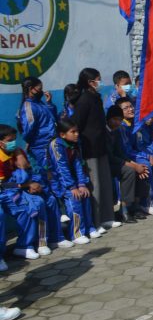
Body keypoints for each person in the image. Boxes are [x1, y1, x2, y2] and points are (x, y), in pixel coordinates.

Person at [70, 68, 120, 233]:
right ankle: (96, 222)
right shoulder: (84, 100)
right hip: (89, 148)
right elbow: (77, 123)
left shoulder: (96, 97)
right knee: (95, 186)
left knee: (105, 183)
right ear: (90, 82)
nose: (100, 82)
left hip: (101, 146)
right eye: (98, 79)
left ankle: (107, 217)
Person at [0, 123, 49, 259]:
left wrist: (34, 183)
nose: (13, 143)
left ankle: (33, 243)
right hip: (6, 193)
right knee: (22, 207)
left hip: (18, 189)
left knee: (39, 202)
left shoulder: (17, 152)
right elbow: (4, 185)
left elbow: (29, 171)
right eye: (9, 141)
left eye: (14, 139)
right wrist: (27, 185)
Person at [48, 119, 99, 243]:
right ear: (62, 134)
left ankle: (89, 228)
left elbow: (78, 164)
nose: (77, 134)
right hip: (59, 182)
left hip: (72, 180)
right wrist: (72, 187)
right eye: (73, 132)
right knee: (74, 199)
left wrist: (81, 184)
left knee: (85, 195)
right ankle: (76, 233)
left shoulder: (74, 143)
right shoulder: (56, 145)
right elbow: (61, 168)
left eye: (77, 131)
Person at [114, 98, 153, 216]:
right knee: (146, 167)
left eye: (131, 106)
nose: (131, 109)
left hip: (136, 154)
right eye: (126, 108)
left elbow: (139, 145)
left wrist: (148, 155)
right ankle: (147, 203)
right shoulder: (122, 127)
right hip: (127, 158)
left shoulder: (135, 124)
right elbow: (127, 150)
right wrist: (143, 159)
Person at [105, 106, 149, 223]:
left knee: (143, 168)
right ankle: (124, 210)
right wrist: (133, 166)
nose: (118, 122)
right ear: (109, 119)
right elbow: (111, 157)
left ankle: (135, 206)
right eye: (115, 119)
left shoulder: (117, 131)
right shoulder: (104, 132)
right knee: (129, 171)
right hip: (106, 164)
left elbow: (120, 153)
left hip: (117, 161)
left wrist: (135, 164)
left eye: (120, 119)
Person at [17, 77, 59, 177]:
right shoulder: (29, 106)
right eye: (40, 88)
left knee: (57, 173)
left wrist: (49, 103)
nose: (42, 91)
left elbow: (51, 119)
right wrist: (35, 143)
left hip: (51, 143)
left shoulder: (38, 102)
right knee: (49, 175)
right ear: (31, 89)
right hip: (42, 146)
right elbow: (28, 130)